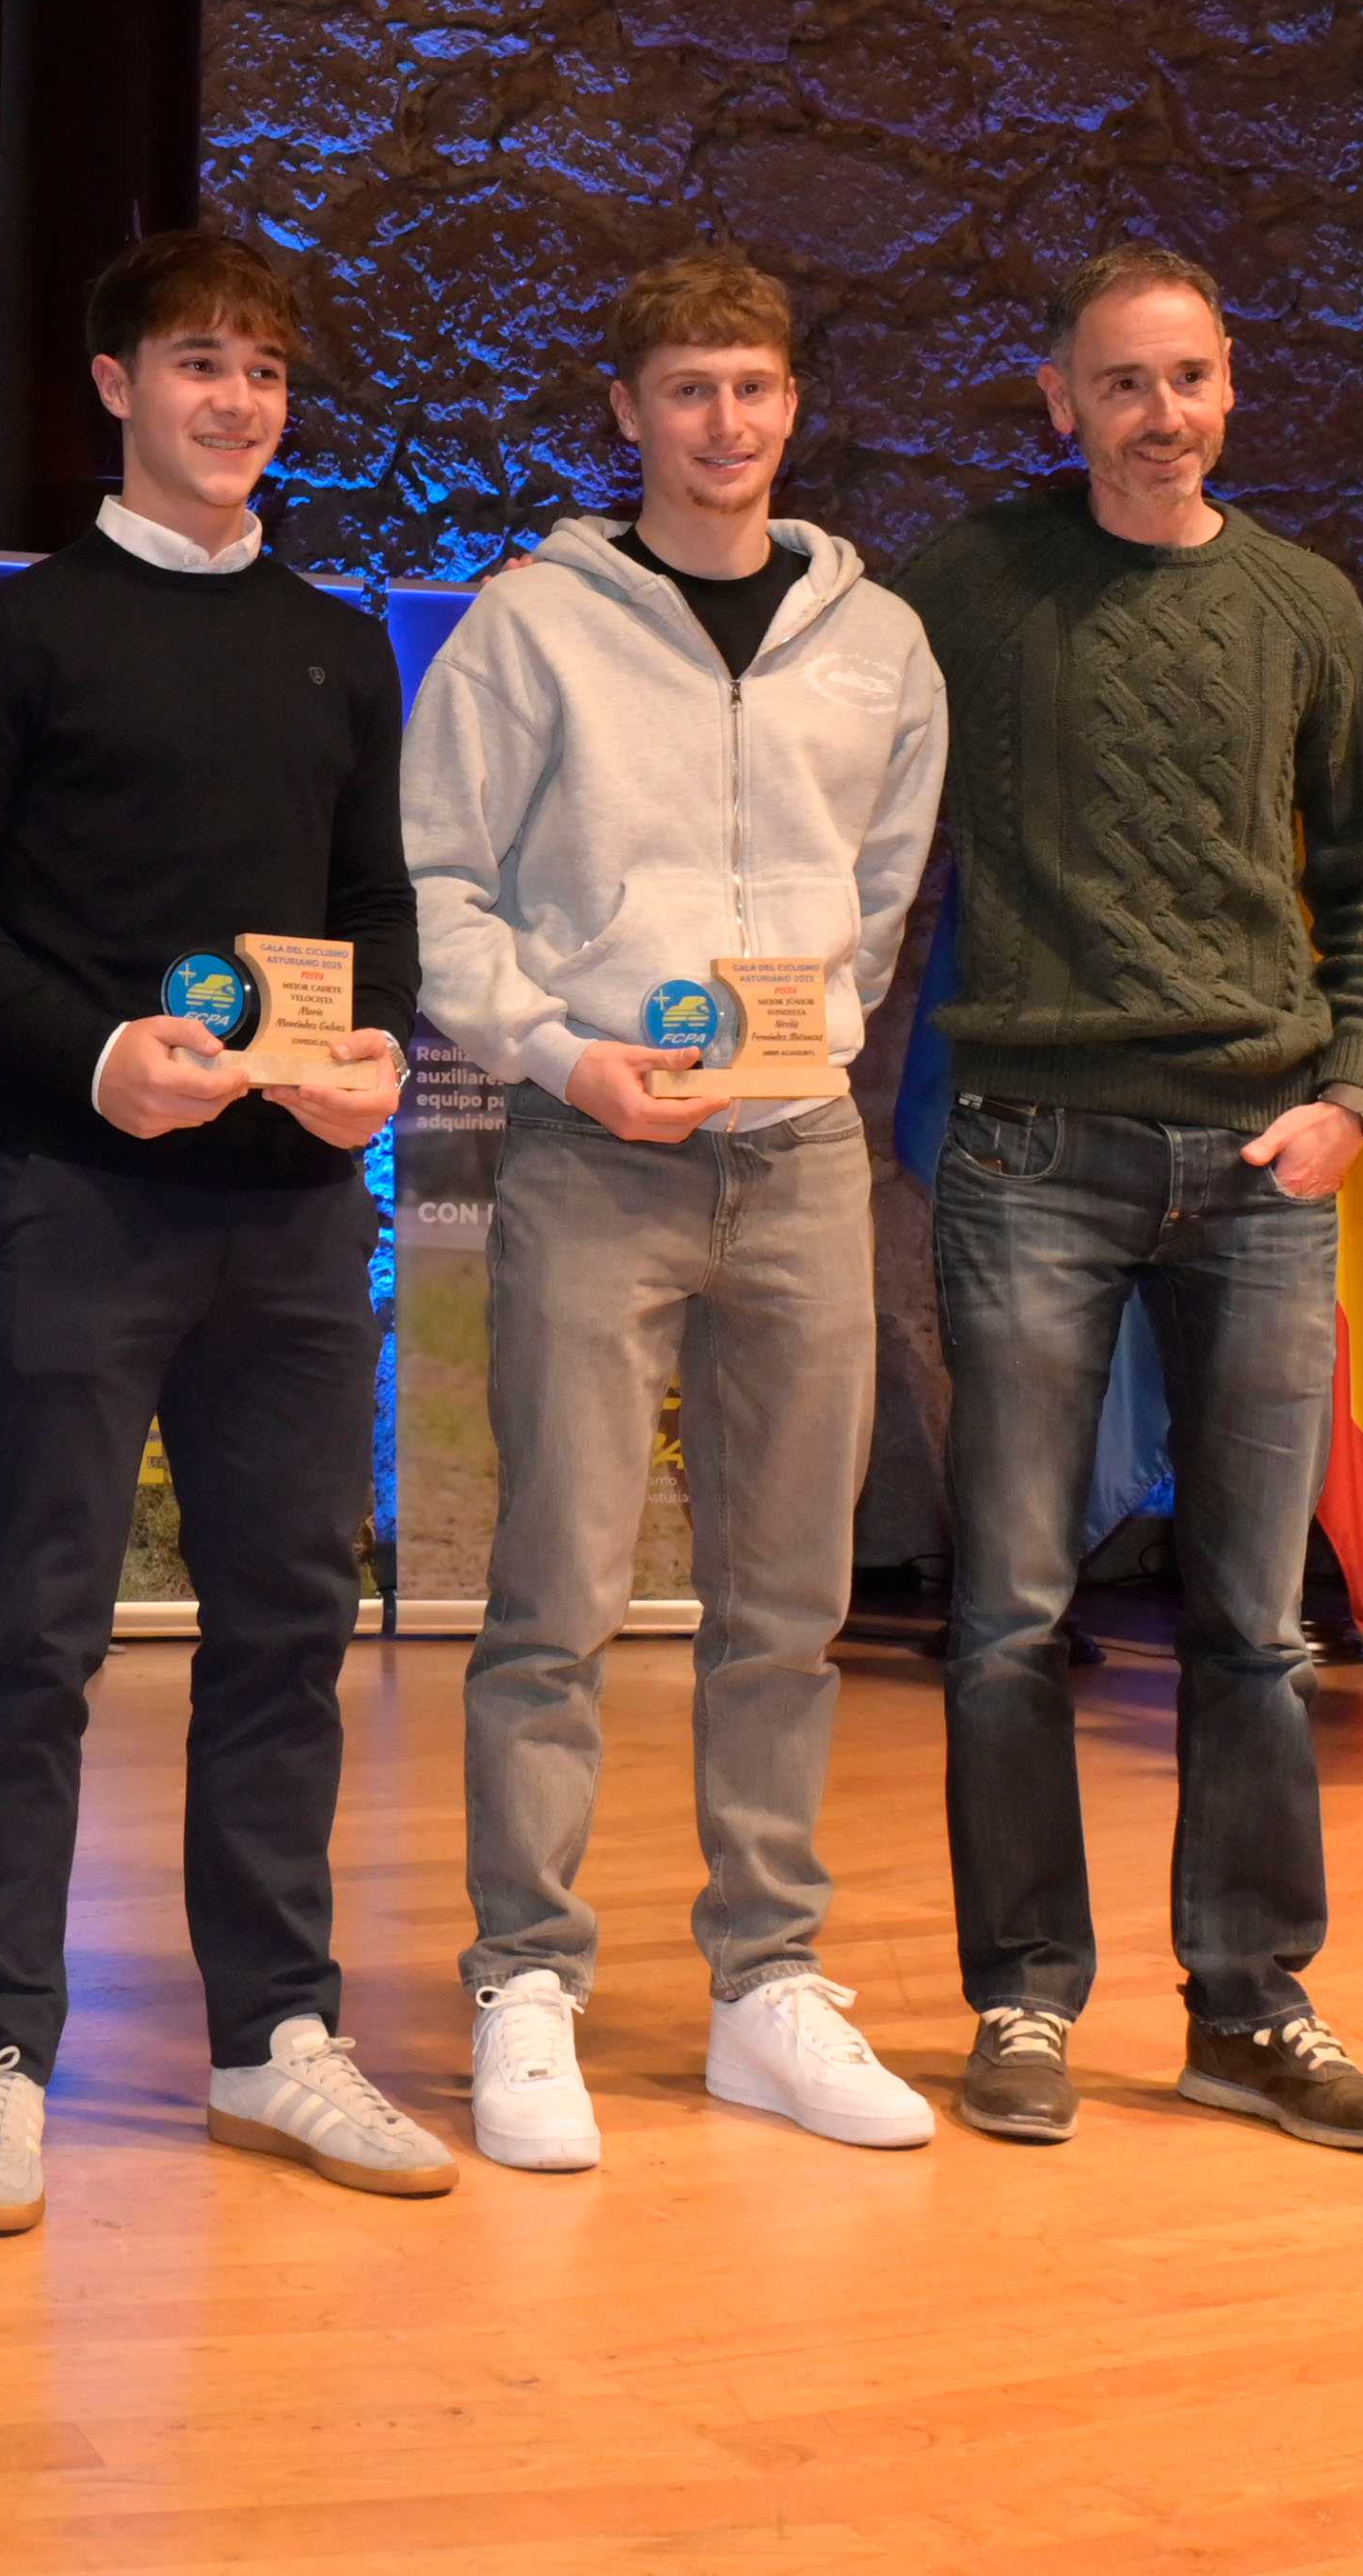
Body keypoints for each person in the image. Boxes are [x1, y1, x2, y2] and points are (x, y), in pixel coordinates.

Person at [0, 228, 444, 2235]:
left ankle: (272, 2034)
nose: (236, 401)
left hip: (292, 1215)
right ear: (115, 384)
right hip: (76, 1193)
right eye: (199, 362)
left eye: (266, 371)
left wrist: (375, 1050)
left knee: (289, 1626)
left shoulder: (334, 642)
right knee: (33, 1631)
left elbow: (373, 902)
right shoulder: (20, 634)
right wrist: (91, 1054)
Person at [404, 245, 949, 2173]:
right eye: (689, 388)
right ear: (625, 409)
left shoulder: (879, 642)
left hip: (801, 1159)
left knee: (788, 1604)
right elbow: (445, 885)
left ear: (794, 405)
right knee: (552, 1596)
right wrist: (567, 1059)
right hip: (592, 1157)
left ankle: (765, 1987)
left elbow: (877, 892)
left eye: (755, 386)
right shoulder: (530, 625)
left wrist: (802, 1043)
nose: (726, 421)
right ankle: (525, 1980)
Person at [894, 239, 1363, 2157]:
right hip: (1029, 1155)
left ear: (1230, 388)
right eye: (1119, 381)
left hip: (1265, 1164)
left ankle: (1251, 2008)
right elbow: (800, 707)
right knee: (1007, 1619)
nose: (1159, 413)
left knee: (1257, 1626)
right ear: (1058, 398)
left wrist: (1351, 1095)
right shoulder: (963, 587)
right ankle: (1024, 1998)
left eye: (1188, 376)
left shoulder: (1305, 605)